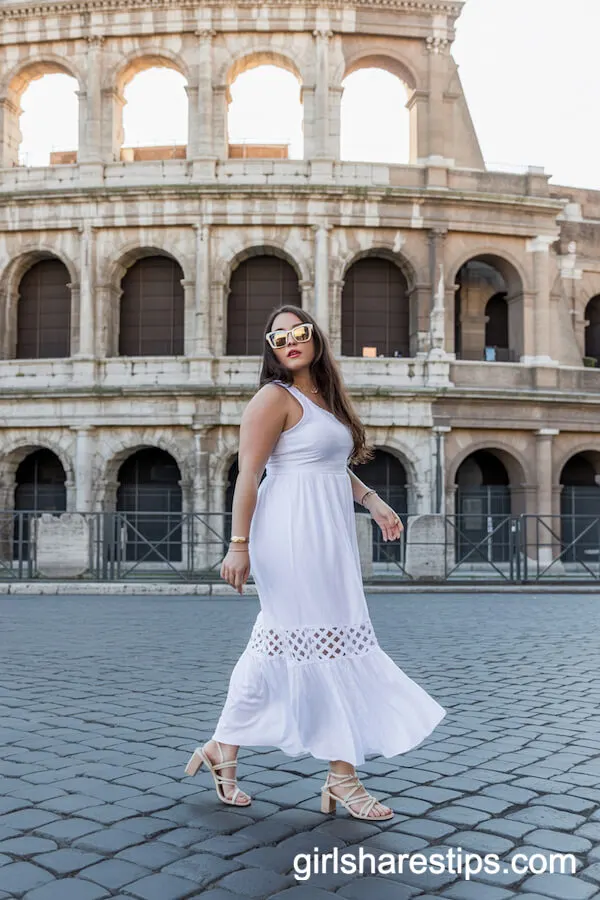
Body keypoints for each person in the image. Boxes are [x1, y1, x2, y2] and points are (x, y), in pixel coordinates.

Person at [185, 305, 446, 820]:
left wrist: (371, 499)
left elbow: (329, 465)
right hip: (288, 534)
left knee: (279, 643)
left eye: (299, 332)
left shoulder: (322, 398)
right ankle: (342, 778)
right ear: (270, 349)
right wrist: (238, 544)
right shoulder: (272, 398)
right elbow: (248, 475)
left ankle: (222, 748)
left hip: (328, 534)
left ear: (316, 339)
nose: (290, 341)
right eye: (278, 337)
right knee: (327, 641)